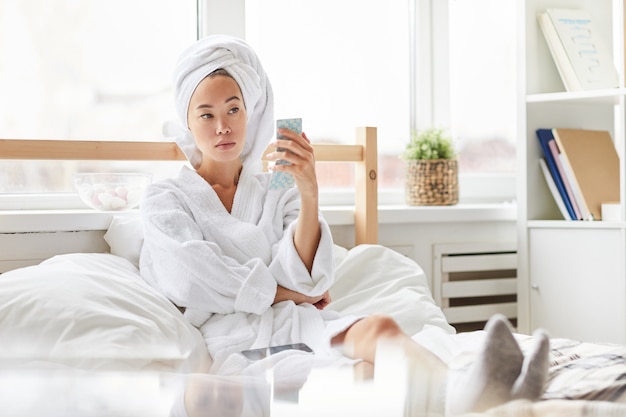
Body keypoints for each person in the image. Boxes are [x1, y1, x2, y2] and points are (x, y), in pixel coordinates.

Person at [139, 34, 549, 416]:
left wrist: (309, 191)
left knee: (379, 328)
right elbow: (192, 273)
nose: (223, 126)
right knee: (346, 382)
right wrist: (284, 292)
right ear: (188, 123)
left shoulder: (275, 187)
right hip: (238, 341)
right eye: (206, 114)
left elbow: (307, 276)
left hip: (299, 320)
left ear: (251, 112)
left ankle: (483, 398)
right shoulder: (166, 198)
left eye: (233, 109)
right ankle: (471, 399)